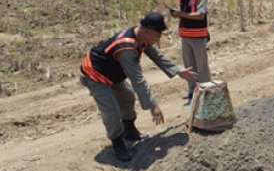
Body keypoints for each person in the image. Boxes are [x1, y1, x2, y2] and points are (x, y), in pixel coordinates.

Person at [80, 12, 198, 161]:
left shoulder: (141, 36)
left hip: (112, 74)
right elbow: (137, 79)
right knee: (111, 110)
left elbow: (157, 56)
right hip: (95, 75)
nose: (160, 37)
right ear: (148, 31)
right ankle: (117, 142)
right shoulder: (127, 48)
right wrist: (152, 105)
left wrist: (178, 70)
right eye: (158, 34)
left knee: (127, 96)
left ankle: (129, 130)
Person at [169, 0, 211, 103]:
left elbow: (200, 15)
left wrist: (181, 14)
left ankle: (206, 90)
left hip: (198, 37)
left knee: (201, 65)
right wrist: (177, 14)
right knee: (189, 66)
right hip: (186, 36)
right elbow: (186, 14)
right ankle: (192, 90)